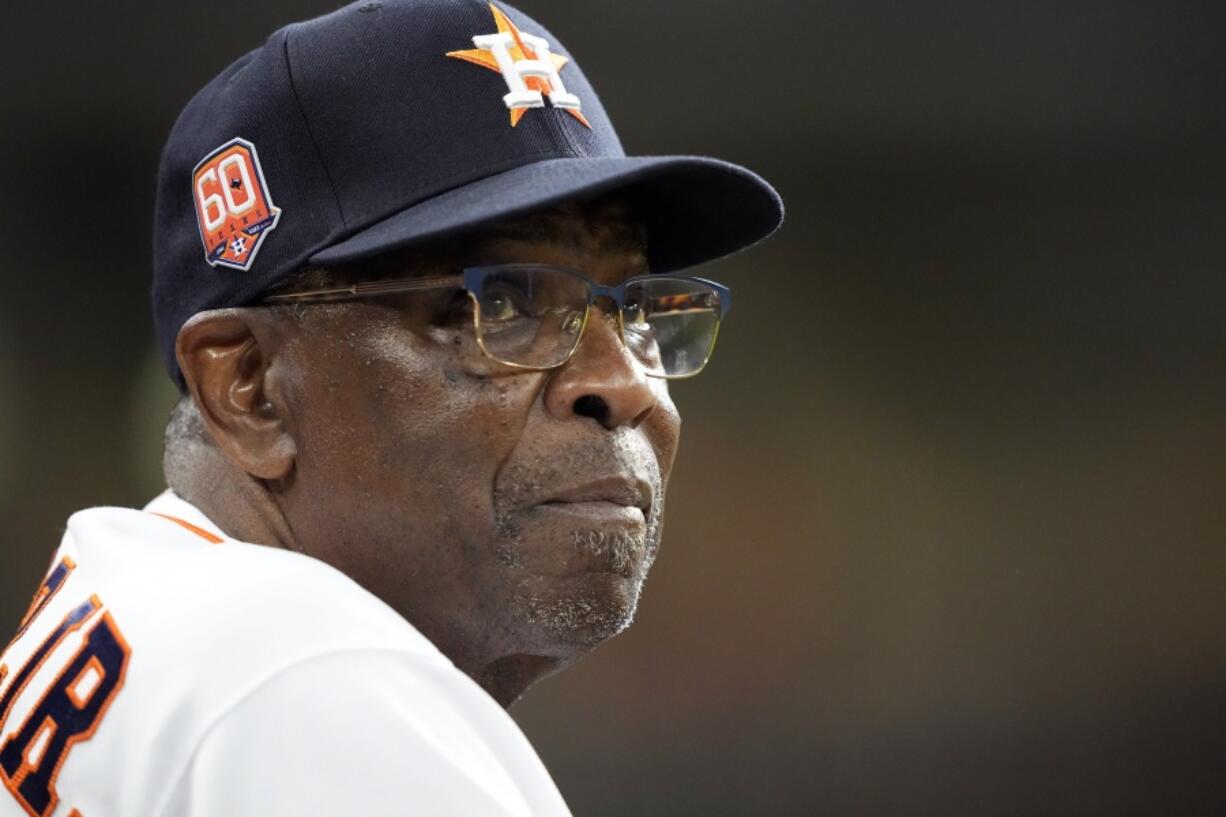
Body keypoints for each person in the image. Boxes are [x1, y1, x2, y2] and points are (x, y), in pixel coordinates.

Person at [0, 0, 781, 814]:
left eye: (634, 308)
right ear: (251, 389)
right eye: (504, 304)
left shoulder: (152, 633)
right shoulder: (305, 678)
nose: (619, 382)